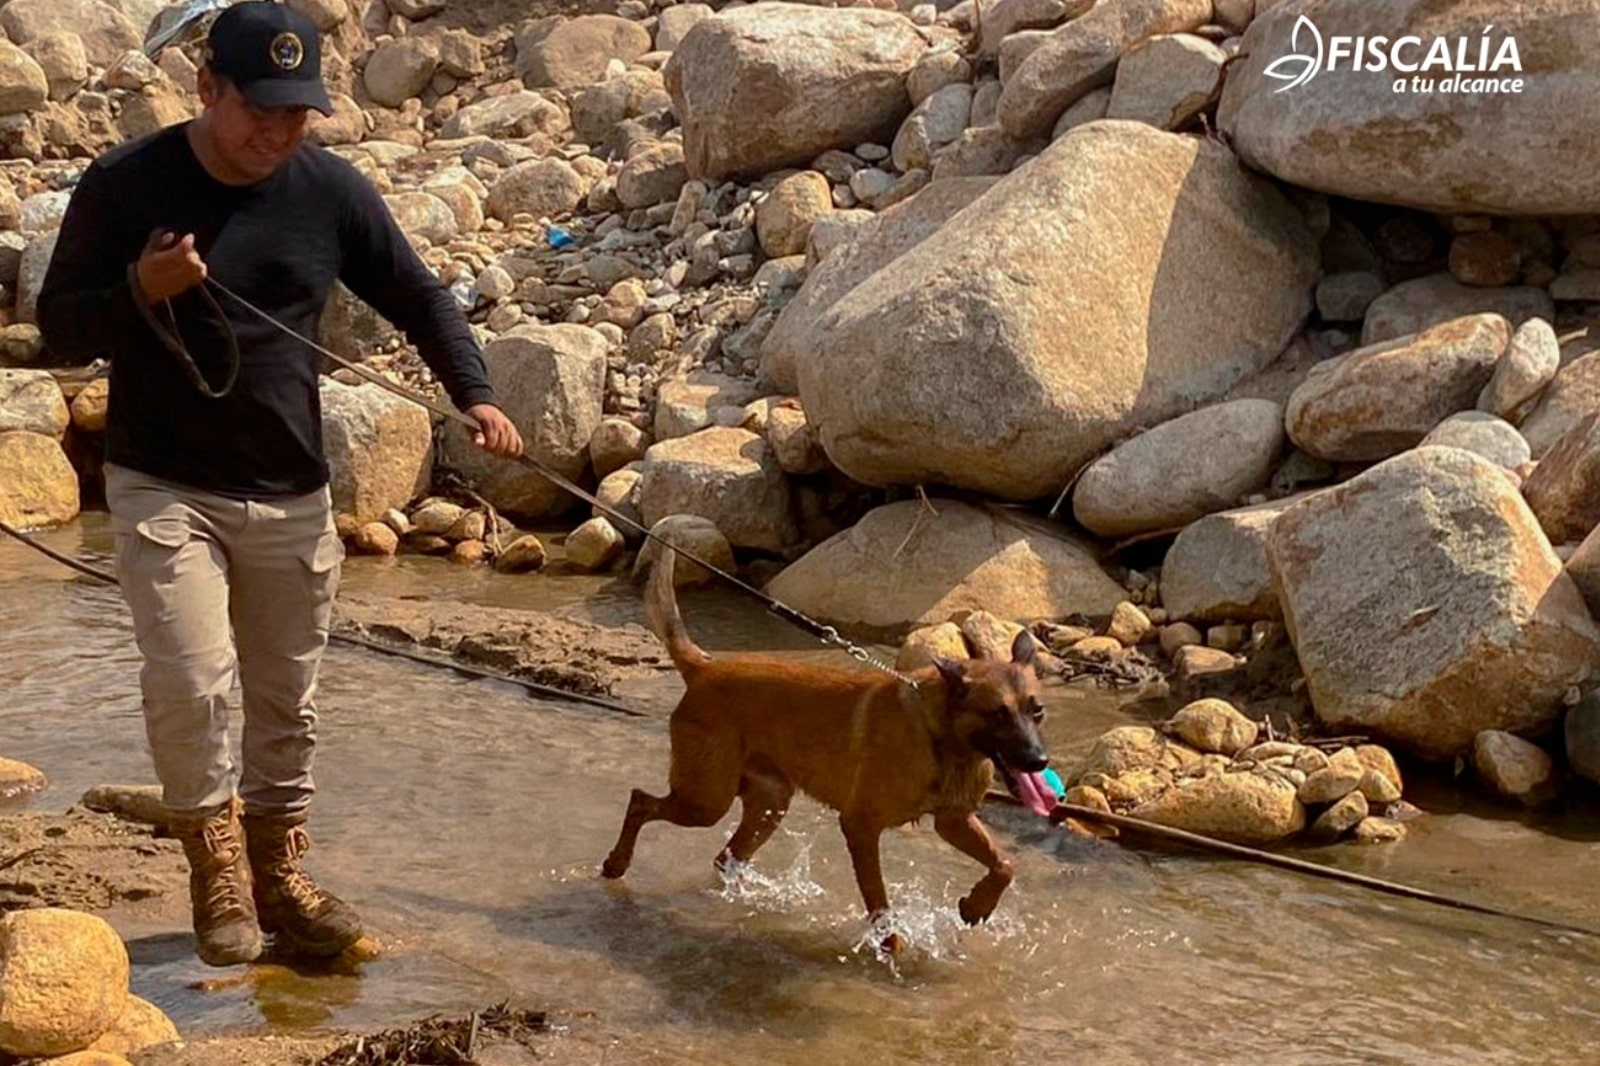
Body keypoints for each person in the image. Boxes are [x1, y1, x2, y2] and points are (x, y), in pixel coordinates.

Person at [37, 0, 524, 967]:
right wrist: (143, 292)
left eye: (299, 112)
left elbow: (419, 293)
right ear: (206, 86)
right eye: (262, 108)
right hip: (161, 481)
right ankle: (216, 876)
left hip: (291, 485)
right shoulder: (125, 183)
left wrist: (473, 392)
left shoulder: (328, 189)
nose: (280, 130)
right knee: (191, 679)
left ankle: (281, 877)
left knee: (287, 696)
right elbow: (59, 328)